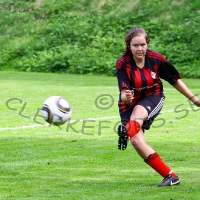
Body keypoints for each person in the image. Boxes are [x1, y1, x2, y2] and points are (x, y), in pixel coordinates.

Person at [116, 27, 200, 187]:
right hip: (130, 103)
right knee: (137, 142)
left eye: (142, 44)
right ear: (129, 46)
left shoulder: (156, 59)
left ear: (147, 44)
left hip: (152, 96)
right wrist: (126, 97)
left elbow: (174, 80)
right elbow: (123, 94)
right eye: (135, 45)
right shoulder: (122, 63)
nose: (139, 49)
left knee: (138, 114)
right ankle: (171, 176)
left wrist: (194, 99)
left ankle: (126, 132)